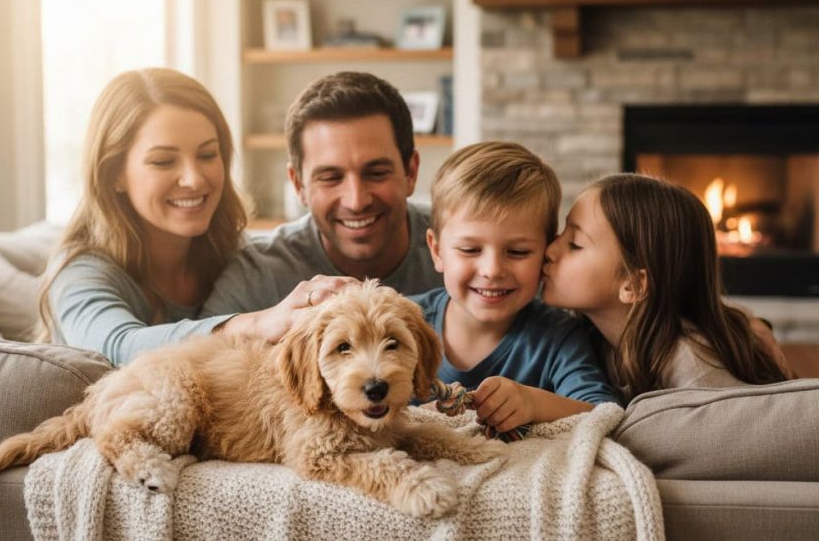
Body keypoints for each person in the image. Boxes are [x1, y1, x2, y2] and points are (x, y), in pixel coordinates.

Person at [39, 68, 351, 365]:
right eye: (163, 161)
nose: (194, 179)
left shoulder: (233, 254)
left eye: (207, 155)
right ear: (113, 174)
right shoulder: (78, 272)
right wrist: (254, 324)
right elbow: (114, 348)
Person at [412, 142, 619, 435]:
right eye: (470, 249)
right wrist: (416, 420)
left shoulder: (559, 335)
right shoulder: (404, 322)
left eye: (518, 252)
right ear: (437, 251)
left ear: (546, 251)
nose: (492, 270)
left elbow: (604, 414)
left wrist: (534, 404)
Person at [201, 71, 442, 317]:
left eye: (376, 173)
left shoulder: (465, 246)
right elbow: (189, 350)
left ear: (410, 172)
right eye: (330, 178)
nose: (356, 201)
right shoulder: (258, 274)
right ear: (298, 184)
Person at [541, 173, 789, 401]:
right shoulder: (588, 336)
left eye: (575, 244)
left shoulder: (692, 367)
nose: (549, 250)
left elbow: (740, 440)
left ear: (634, 284)